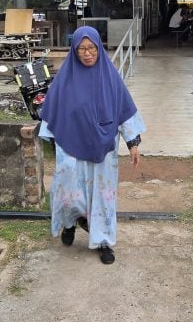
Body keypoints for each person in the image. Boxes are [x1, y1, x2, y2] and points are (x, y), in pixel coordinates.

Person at [38, 26, 146, 265]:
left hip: (103, 147)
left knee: (102, 196)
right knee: (69, 191)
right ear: (74, 51)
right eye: (82, 49)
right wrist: (44, 133)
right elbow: (51, 112)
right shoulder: (64, 79)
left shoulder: (110, 77)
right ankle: (70, 223)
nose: (87, 54)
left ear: (99, 48)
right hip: (70, 146)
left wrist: (133, 143)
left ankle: (103, 241)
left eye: (92, 48)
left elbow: (125, 111)